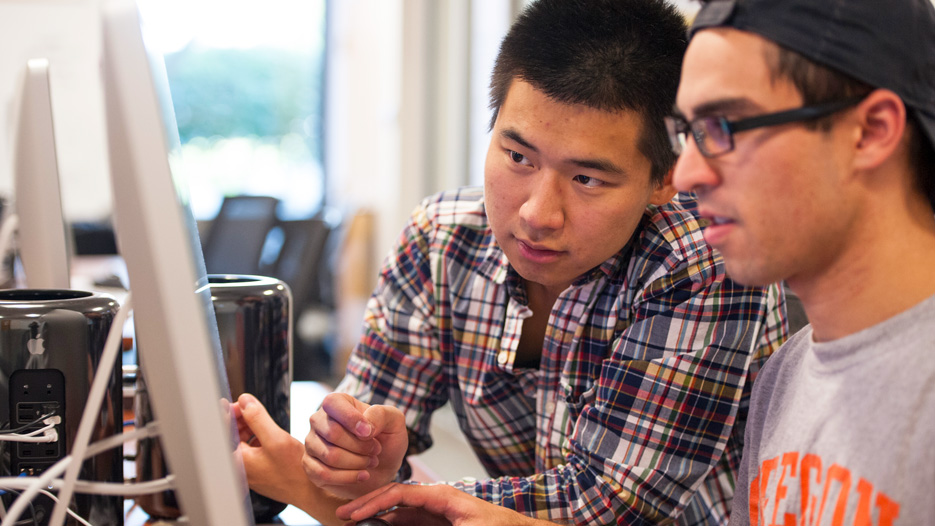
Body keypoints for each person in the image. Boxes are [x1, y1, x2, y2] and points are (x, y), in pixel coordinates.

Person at [235, 0, 789, 524]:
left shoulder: (703, 261)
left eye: (587, 178)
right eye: (517, 156)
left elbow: (605, 507)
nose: (537, 213)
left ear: (665, 176)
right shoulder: (441, 240)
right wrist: (355, 451)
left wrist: (314, 492)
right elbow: (363, 436)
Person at [664, 0, 935, 524]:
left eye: (723, 125)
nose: (686, 175)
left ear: (871, 130)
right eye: (689, 132)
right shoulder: (783, 378)